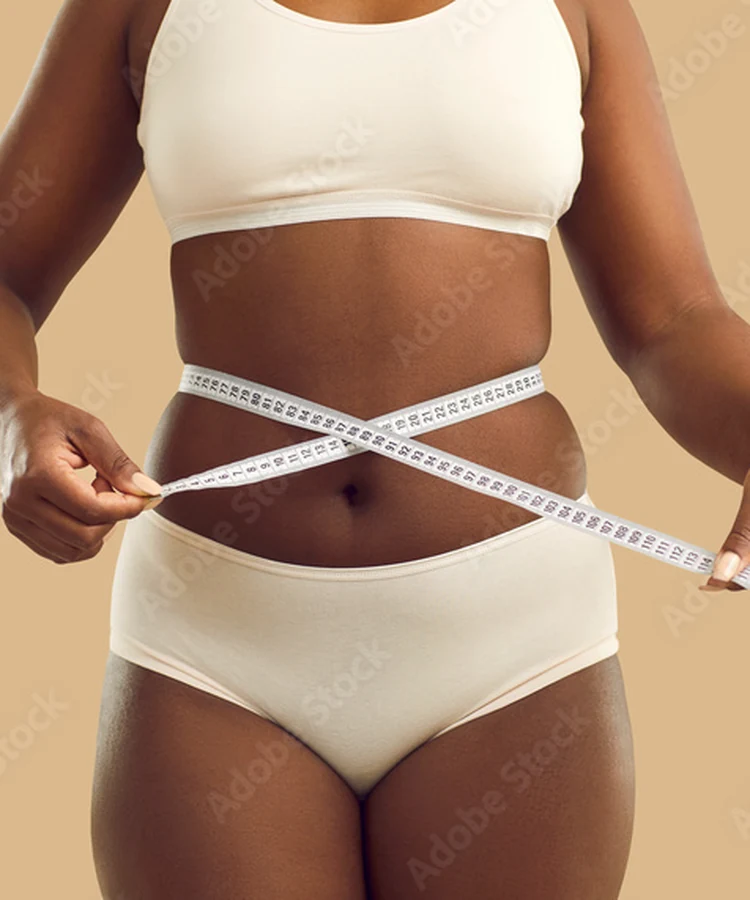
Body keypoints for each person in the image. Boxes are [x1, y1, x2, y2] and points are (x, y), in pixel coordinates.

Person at [1, 0, 749, 896]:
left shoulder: (573, 9)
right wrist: (12, 415)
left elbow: (673, 320)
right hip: (217, 635)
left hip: (513, 638)